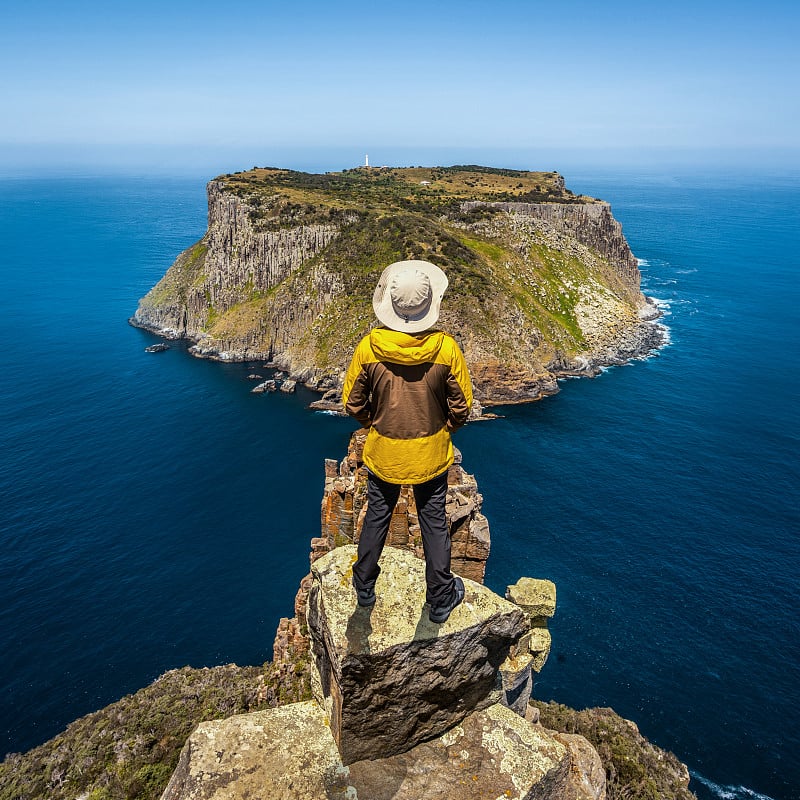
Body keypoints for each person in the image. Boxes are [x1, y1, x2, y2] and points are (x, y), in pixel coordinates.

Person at [342, 259, 473, 623]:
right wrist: (445, 427)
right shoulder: (446, 350)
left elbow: (352, 402)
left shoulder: (369, 348)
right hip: (431, 454)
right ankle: (441, 599)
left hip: (384, 452)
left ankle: (364, 586)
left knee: (377, 518)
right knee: (433, 523)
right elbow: (463, 406)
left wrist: (375, 423)